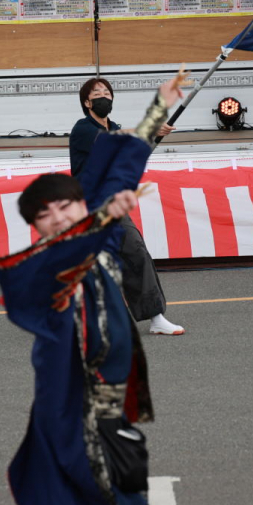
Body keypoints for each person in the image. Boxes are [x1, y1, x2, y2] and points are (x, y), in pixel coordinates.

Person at [0, 73, 187, 505]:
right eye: (45, 214)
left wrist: (158, 110)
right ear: (36, 228)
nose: (58, 217)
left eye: (66, 206)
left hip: (114, 411)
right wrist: (103, 218)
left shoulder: (98, 235)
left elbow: (114, 173)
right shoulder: (34, 268)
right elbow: (80, 238)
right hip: (74, 418)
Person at [70, 78, 183, 336]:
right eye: (97, 93)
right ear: (87, 102)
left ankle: (155, 317)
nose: (103, 96)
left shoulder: (116, 127)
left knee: (134, 253)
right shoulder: (82, 129)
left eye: (107, 93)